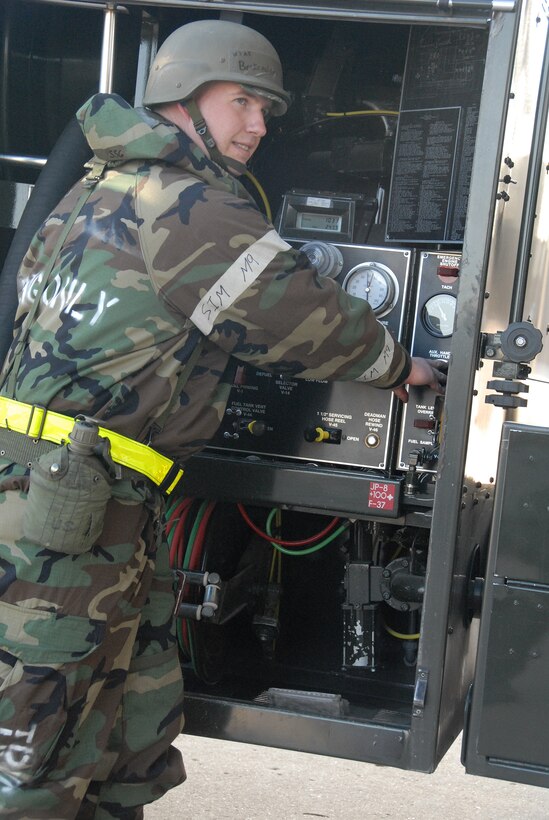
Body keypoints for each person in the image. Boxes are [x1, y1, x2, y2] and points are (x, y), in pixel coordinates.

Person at [0, 18, 446, 819]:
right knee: (37, 742)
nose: (258, 126)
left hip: (82, 496)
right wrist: (400, 366)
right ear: (183, 97)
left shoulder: (93, 186)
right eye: (242, 102)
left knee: (128, 719)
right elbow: (297, 315)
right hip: (68, 514)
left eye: (266, 109)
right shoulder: (190, 204)